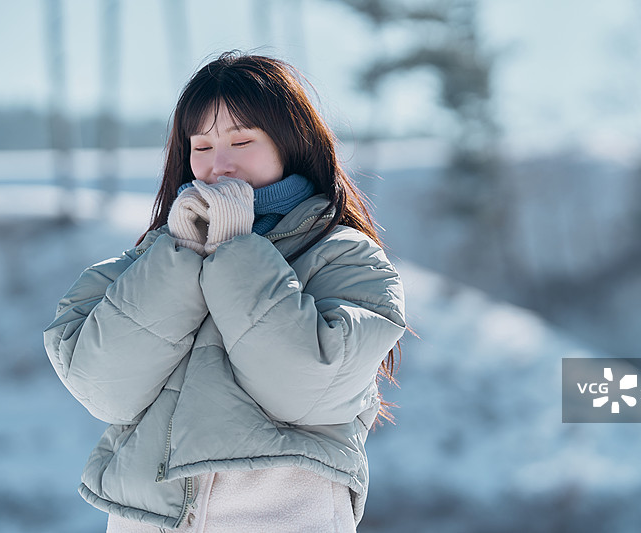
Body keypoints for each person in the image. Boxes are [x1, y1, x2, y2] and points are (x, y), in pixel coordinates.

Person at [43, 51, 406, 533]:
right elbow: (104, 388)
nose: (220, 165)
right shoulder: (156, 256)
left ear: (290, 143)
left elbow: (301, 388)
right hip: (148, 519)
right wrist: (180, 256)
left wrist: (236, 248)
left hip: (283, 515)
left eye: (242, 140)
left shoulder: (346, 258)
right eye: (202, 145)